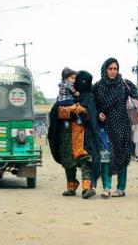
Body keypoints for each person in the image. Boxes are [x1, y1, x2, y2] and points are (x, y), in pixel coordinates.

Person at [94, 57, 138, 197]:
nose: (113, 72)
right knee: (106, 157)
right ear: (105, 70)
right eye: (110, 69)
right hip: (105, 127)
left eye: (115, 69)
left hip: (122, 126)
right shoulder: (97, 86)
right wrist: (98, 114)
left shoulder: (124, 84)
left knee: (121, 155)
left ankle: (120, 188)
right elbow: (93, 105)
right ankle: (106, 187)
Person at [49, 71, 100, 199]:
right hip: (65, 135)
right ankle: (71, 187)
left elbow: (93, 114)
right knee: (67, 160)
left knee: (84, 158)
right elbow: (57, 112)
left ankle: (87, 188)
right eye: (75, 79)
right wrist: (68, 110)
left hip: (82, 133)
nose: (78, 82)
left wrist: (84, 110)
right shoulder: (64, 97)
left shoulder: (89, 96)